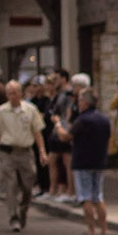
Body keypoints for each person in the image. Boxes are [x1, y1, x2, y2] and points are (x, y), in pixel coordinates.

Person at [57, 87, 112, 235]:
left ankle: (91, 231)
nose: (78, 103)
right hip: (99, 161)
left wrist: (57, 125)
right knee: (98, 196)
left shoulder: (82, 120)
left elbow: (66, 137)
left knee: (85, 197)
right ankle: (104, 230)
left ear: (86, 103)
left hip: (82, 162)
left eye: (80, 100)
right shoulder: (104, 119)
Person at [0, 80, 48, 232]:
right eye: (9, 93)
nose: (12, 96)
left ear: (21, 93)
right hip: (7, 153)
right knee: (10, 186)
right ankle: (13, 217)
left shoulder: (30, 110)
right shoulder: (1, 111)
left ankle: (23, 210)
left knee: (27, 186)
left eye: (15, 93)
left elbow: (37, 132)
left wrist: (42, 152)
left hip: (25, 152)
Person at [47, 68, 75, 199]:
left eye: (56, 79)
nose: (54, 81)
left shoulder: (69, 93)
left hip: (63, 128)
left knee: (66, 160)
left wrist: (66, 127)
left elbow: (69, 112)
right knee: (53, 160)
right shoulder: (58, 93)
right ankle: (53, 189)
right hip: (56, 129)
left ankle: (69, 191)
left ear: (64, 79)